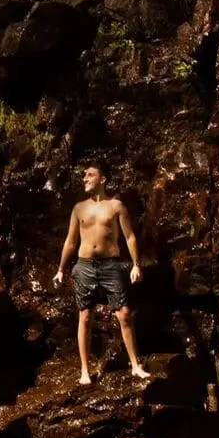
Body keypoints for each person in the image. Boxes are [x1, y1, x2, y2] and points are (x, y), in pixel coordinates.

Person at [51, 163, 149, 385]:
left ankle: (135, 365)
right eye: (84, 175)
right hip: (84, 265)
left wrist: (136, 265)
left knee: (124, 314)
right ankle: (85, 371)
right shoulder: (79, 208)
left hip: (111, 265)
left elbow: (129, 236)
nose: (85, 178)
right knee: (85, 316)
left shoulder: (116, 206)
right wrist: (60, 270)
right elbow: (71, 241)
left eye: (90, 175)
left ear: (102, 179)